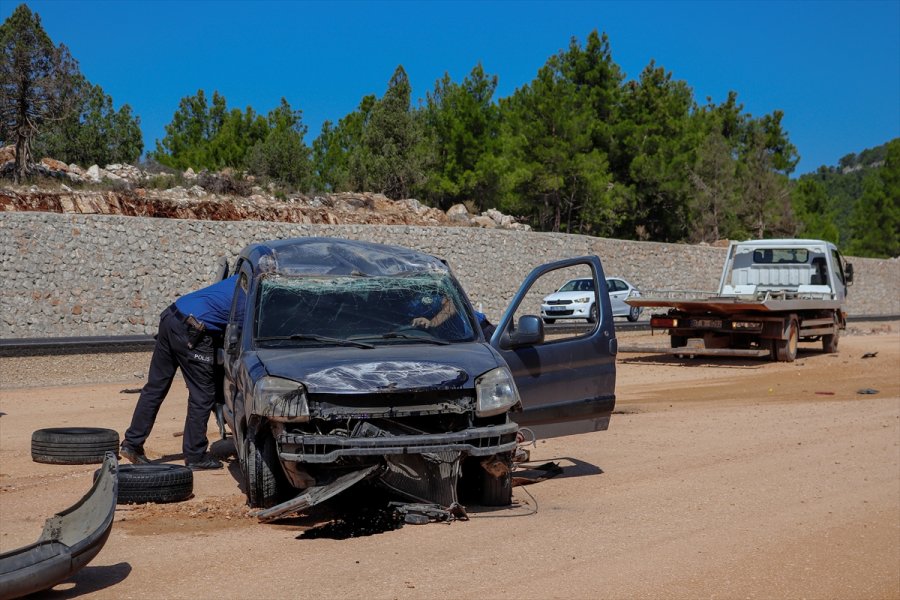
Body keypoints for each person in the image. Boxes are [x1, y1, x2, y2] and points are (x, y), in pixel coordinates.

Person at [121, 275, 238, 470]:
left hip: (172, 314)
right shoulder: (255, 297)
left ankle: (132, 444)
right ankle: (195, 456)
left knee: (155, 387)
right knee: (202, 395)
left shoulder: (244, 275)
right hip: (195, 330)